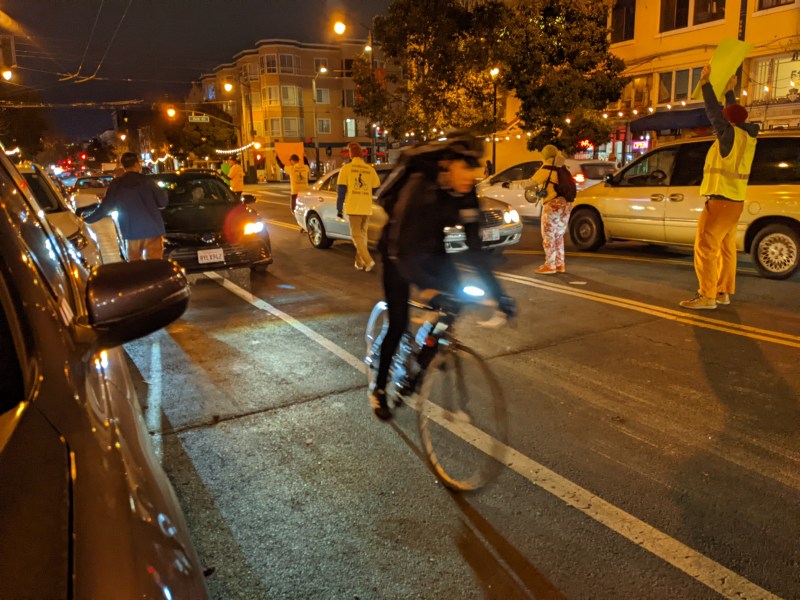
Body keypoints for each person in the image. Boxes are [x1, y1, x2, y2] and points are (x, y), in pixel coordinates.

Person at [369, 132, 516, 420]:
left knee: (455, 300)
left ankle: (429, 348)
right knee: (398, 324)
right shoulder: (418, 188)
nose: (471, 176)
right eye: (465, 167)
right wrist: (425, 288)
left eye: (475, 168)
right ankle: (379, 389)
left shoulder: (466, 192)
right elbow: (402, 249)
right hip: (397, 252)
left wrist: (499, 295)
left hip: (433, 249)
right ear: (447, 165)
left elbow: (475, 251)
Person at [680, 65, 759, 310]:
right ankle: (723, 291)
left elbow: (715, 113)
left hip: (720, 201)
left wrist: (706, 84)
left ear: (728, 120)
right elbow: (729, 113)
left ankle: (707, 296)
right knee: (726, 248)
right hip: (735, 201)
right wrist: (729, 92)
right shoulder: (747, 137)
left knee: (705, 247)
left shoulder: (729, 135)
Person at [83, 151, 168, 260]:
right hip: (153, 230)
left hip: (131, 232)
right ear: (137, 164)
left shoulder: (117, 184)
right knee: (155, 266)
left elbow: (105, 207)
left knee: (135, 267)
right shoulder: (148, 182)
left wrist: (87, 220)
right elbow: (163, 202)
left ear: (123, 166)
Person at [336, 142, 381, 272]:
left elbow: (341, 191)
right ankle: (359, 263)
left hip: (354, 207)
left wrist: (339, 209)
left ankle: (368, 260)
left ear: (350, 154)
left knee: (356, 236)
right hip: (366, 207)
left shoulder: (346, 169)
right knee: (362, 236)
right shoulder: (369, 169)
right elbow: (375, 187)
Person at [529, 145, 570, 274]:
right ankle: (560, 264)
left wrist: (508, 185)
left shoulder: (546, 168)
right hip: (566, 204)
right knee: (559, 235)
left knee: (548, 236)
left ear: (544, 155)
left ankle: (550, 265)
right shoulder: (562, 167)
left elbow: (530, 183)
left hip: (552, 204)